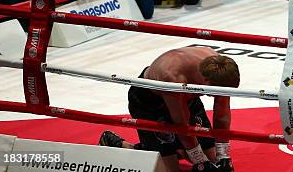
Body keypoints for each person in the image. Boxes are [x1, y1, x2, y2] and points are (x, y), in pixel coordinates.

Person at [99, 47, 239, 172]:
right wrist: (200, 161)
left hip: (187, 97)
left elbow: (221, 115)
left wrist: (223, 155)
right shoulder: (173, 77)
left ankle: (175, 148)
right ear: (206, 81)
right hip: (150, 101)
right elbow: (181, 125)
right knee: (169, 169)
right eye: (217, 93)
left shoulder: (220, 69)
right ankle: (122, 145)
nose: (220, 97)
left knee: (214, 159)